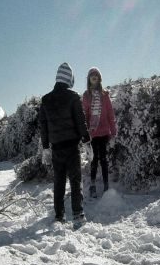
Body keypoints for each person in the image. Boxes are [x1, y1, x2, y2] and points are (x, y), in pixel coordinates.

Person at [39, 61, 90, 224]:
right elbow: (80, 121)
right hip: (72, 147)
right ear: (69, 79)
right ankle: (78, 213)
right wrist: (87, 141)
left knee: (59, 182)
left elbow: (43, 126)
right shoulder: (73, 97)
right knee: (76, 181)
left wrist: (46, 148)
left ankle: (59, 215)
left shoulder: (45, 100)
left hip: (56, 149)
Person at [82, 66, 117, 198]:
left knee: (103, 159)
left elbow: (110, 114)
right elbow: (84, 115)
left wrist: (113, 133)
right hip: (92, 133)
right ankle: (92, 185)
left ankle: (106, 185)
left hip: (104, 132)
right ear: (89, 79)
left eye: (96, 75)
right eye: (92, 75)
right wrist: (85, 134)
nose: (94, 77)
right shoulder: (86, 96)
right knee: (93, 159)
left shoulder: (105, 95)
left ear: (99, 78)